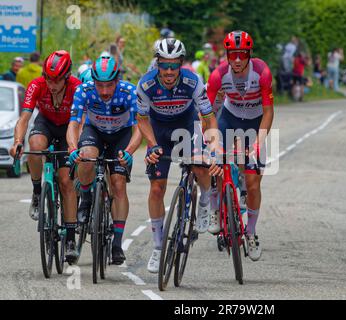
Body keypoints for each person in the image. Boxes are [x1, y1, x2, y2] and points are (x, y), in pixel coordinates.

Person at [135, 38, 222, 273]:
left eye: (174, 65)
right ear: (158, 64)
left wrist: (212, 148)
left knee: (201, 166)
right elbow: (141, 119)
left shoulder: (193, 81)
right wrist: (152, 145)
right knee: (156, 189)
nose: (170, 71)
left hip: (186, 126)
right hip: (159, 130)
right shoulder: (146, 84)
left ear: (181, 64)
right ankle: (157, 246)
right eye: (164, 65)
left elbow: (208, 117)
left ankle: (205, 199)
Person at [67, 55, 142, 265]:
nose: (105, 91)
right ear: (94, 82)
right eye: (100, 85)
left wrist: (129, 151)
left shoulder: (129, 92)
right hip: (95, 132)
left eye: (109, 85)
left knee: (118, 183)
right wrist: (73, 148)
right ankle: (86, 197)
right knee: (86, 157)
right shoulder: (84, 90)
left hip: (121, 135)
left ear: (117, 80)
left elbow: (139, 129)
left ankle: (117, 243)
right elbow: (73, 124)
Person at [207, 30, 275, 261]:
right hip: (229, 117)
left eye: (242, 54)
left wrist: (258, 143)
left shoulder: (262, 72)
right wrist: (214, 140)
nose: (237, 60)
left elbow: (268, 112)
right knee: (218, 163)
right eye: (233, 54)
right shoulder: (218, 75)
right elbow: (206, 110)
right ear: (227, 54)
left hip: (256, 121)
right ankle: (216, 209)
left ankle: (252, 232)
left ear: (249, 54)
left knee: (253, 184)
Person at [9, 50, 81, 263]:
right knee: (35, 144)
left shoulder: (77, 88)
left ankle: (69, 238)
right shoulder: (36, 85)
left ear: (66, 76)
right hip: (47, 123)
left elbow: (80, 123)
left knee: (67, 182)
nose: (51, 84)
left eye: (56, 79)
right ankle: (38, 191)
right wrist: (17, 142)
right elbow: (24, 118)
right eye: (48, 78)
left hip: (70, 127)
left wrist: (74, 146)